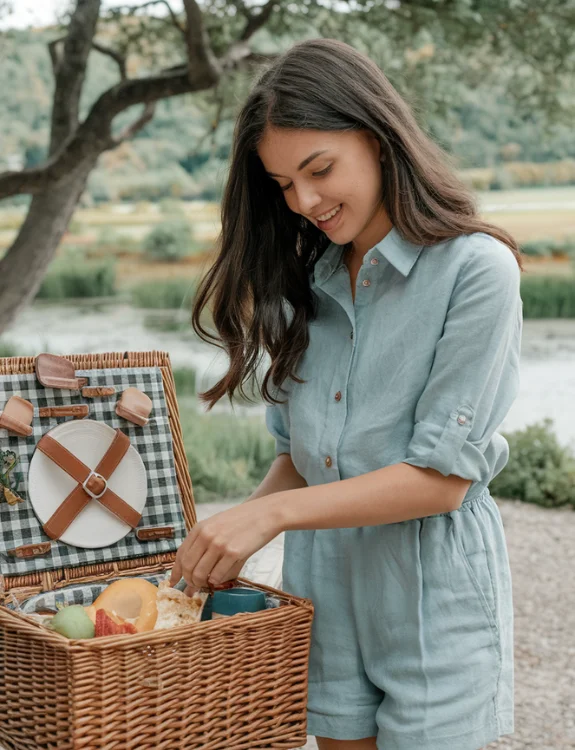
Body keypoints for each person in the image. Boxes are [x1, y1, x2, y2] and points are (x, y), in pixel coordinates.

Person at [170, 37, 523, 750]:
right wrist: (228, 535)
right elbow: (299, 457)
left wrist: (268, 518)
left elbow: (440, 480)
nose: (303, 202)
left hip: (433, 597)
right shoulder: (300, 285)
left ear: (377, 135)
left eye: (318, 169)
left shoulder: (476, 271)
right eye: (282, 185)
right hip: (322, 586)